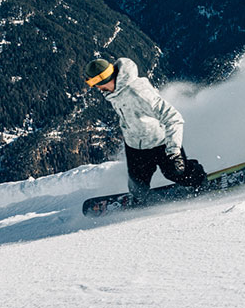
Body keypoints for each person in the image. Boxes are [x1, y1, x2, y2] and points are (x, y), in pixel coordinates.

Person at [85, 57, 206, 204]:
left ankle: (200, 182)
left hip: (160, 141)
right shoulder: (113, 92)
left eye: (95, 83)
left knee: (177, 172)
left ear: (105, 79)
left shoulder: (138, 93)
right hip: (135, 146)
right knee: (137, 187)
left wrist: (174, 150)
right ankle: (142, 202)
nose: (96, 88)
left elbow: (174, 117)